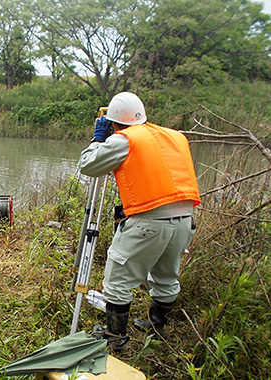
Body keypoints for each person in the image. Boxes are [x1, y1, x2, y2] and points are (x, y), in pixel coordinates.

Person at [79, 92, 201, 349]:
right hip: (185, 220)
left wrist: (98, 139)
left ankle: (115, 337)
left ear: (113, 122)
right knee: (167, 276)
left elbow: (88, 165)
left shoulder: (124, 139)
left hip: (150, 222)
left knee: (117, 280)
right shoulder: (174, 136)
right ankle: (157, 326)